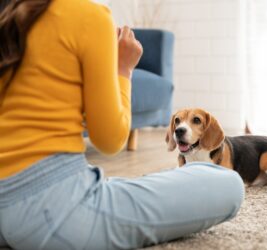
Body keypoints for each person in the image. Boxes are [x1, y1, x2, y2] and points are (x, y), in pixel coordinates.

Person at [0, 0, 244, 249]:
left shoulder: (7, 19)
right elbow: (110, 140)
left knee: (124, 183)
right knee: (229, 183)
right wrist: (123, 68)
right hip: (54, 214)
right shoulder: (87, 16)